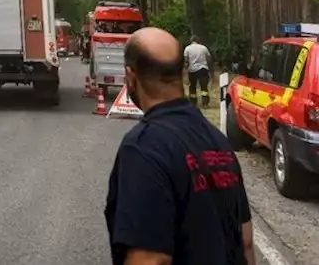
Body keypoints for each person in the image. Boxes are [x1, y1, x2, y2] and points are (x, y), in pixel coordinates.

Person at [104, 27, 254, 265]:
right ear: (182, 73)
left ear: (130, 77)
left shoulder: (143, 148)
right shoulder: (219, 142)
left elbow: (150, 259)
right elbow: (245, 243)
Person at [183, 35, 213, 108]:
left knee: (192, 87)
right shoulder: (203, 48)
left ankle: (193, 103)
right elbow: (209, 58)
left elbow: (186, 61)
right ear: (198, 40)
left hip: (192, 69)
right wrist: (211, 70)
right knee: (204, 87)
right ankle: (205, 103)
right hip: (203, 69)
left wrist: (185, 70)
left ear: (191, 41)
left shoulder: (187, 48)